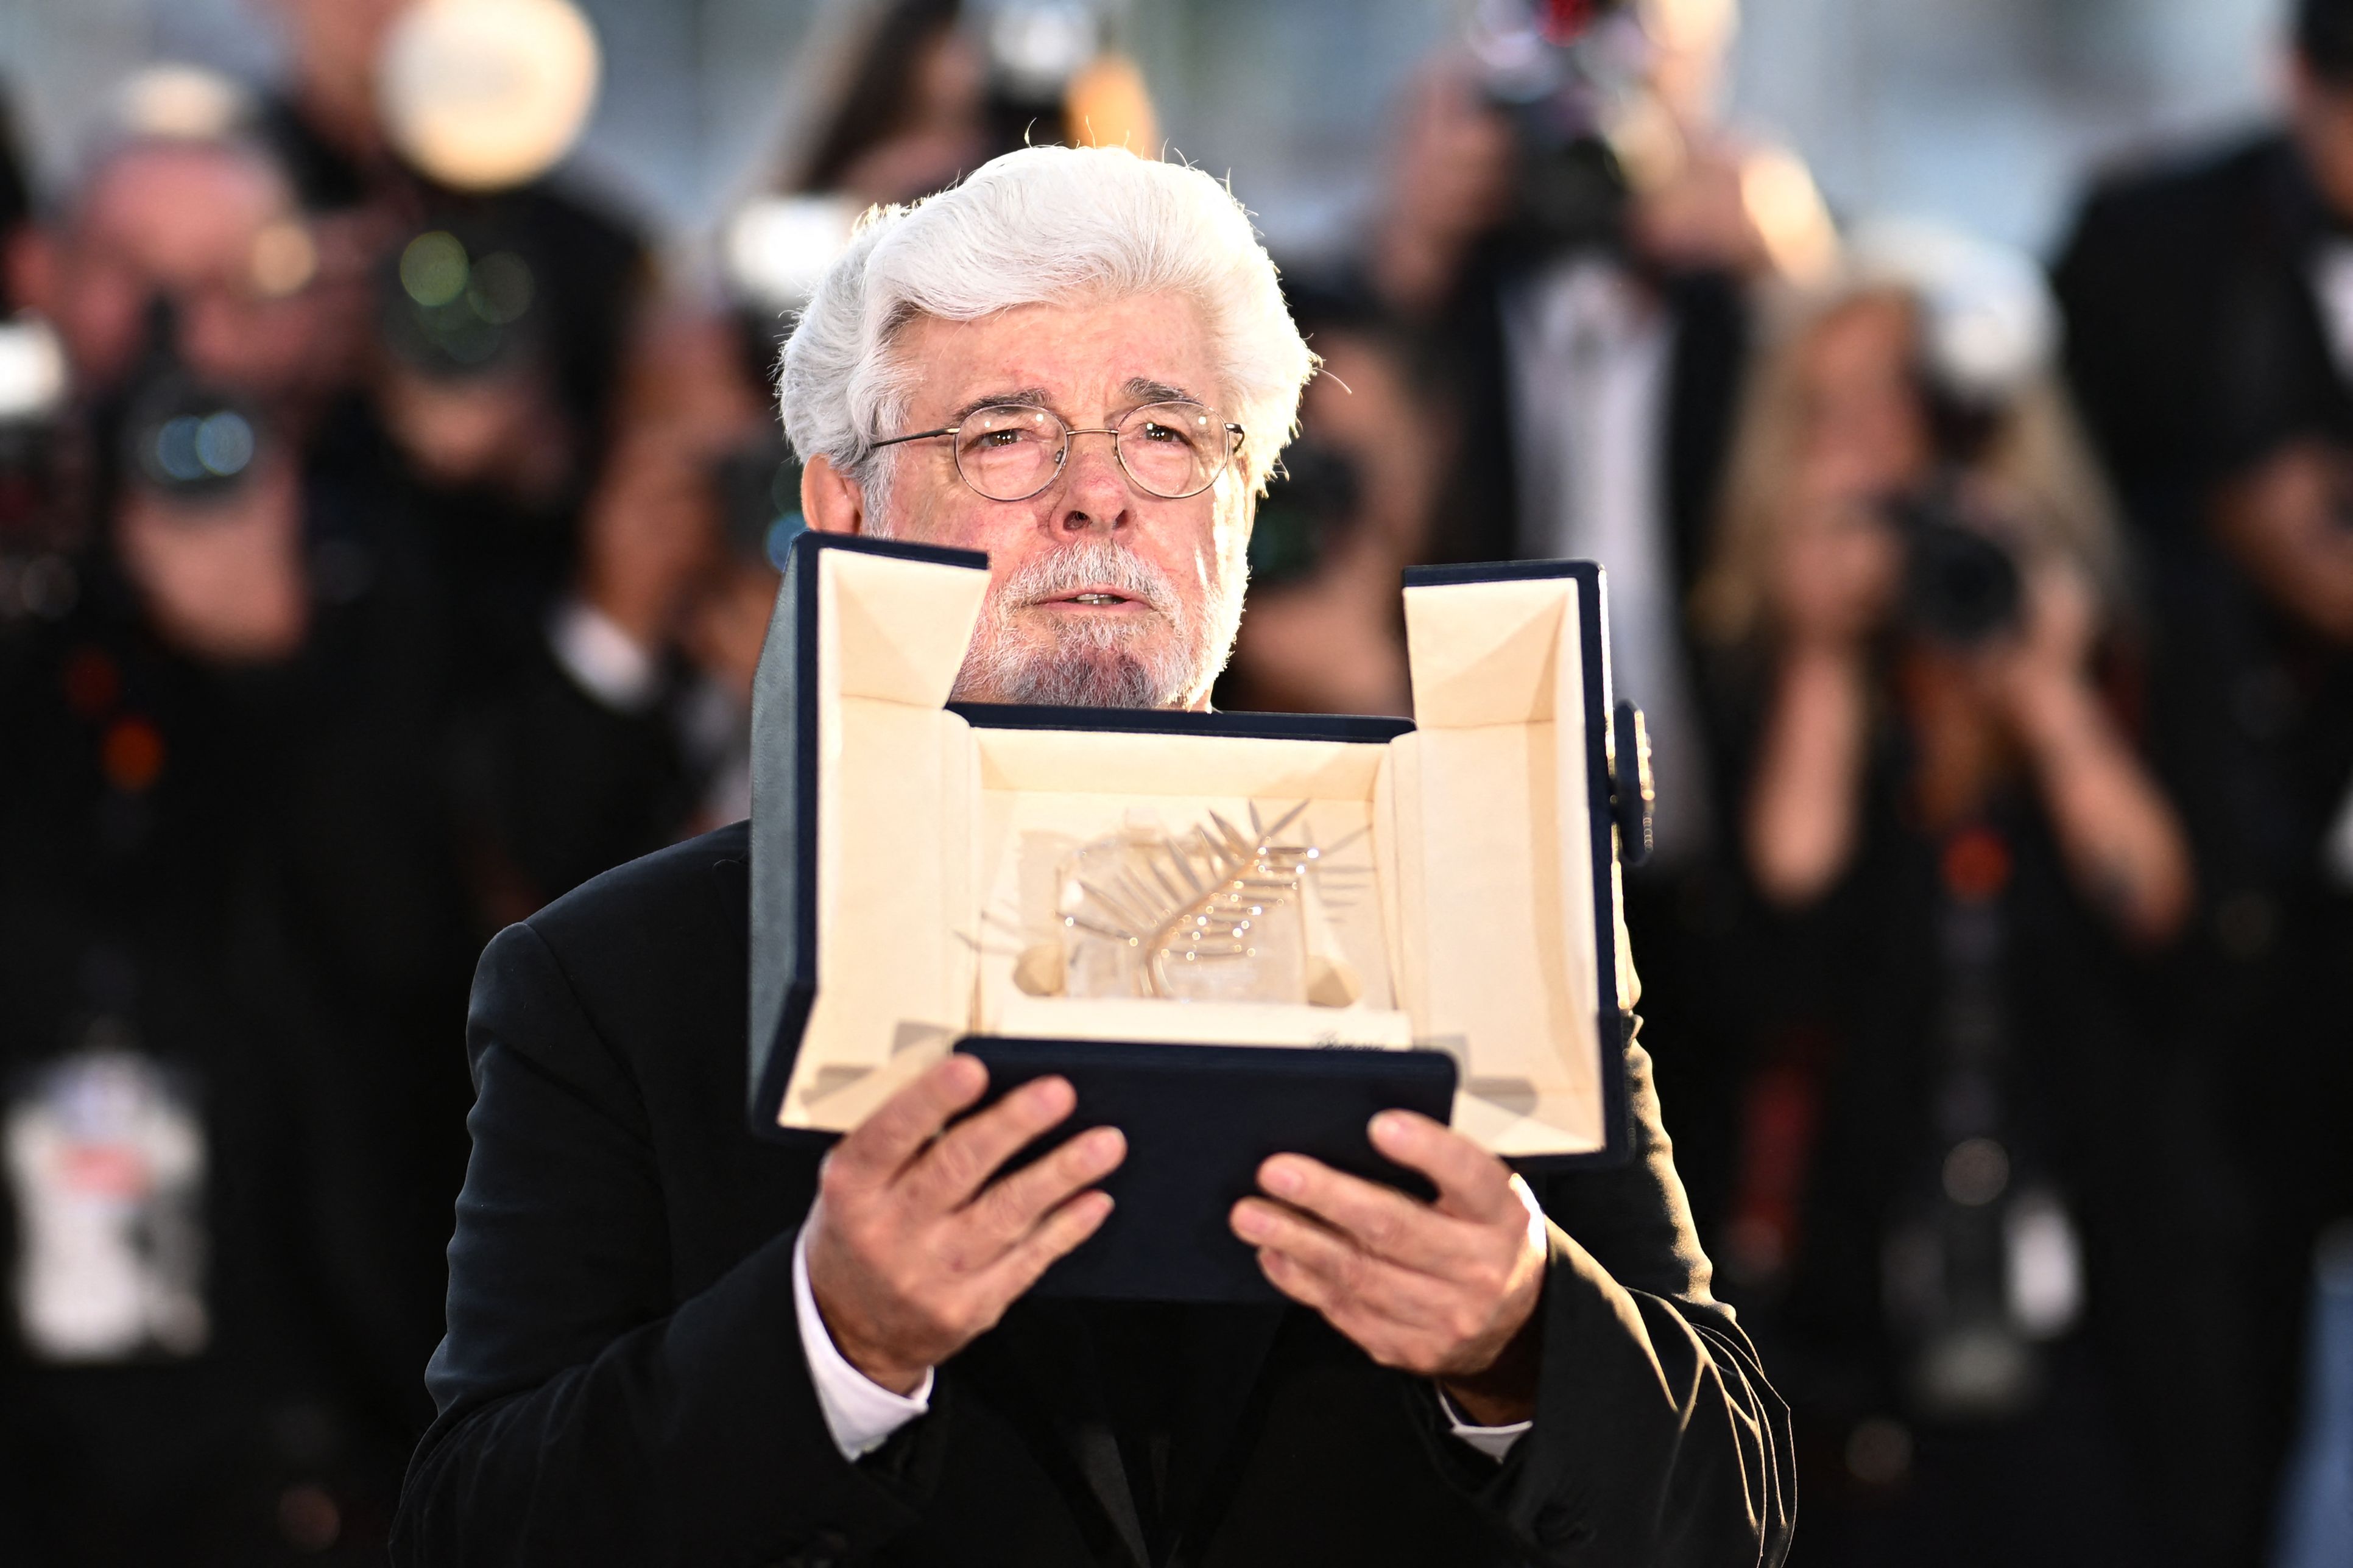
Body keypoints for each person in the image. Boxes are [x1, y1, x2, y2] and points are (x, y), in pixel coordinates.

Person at [393, 144, 1792, 1567]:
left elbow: (1731, 1510)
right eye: (1005, 433)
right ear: (841, 512)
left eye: (1168, 435)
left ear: (1246, 514)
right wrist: (832, 1340)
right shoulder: (610, 979)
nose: (1097, 495)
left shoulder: (1490, 905)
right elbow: (477, 1531)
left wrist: (1519, 1333)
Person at [1691, 228, 2252, 1566]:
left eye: (1902, 400)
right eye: (1829, 414)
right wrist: (1825, 655)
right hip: (1844, 1320)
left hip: (2103, 1322)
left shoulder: (2122, 634)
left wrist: (2043, 690)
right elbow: (1782, 939)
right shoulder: (1762, 666)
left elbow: (2169, 927)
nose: (1879, 451)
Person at [2051, 0, 2353, 1538]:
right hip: (2220, 916)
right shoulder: (2152, 245)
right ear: (2298, 78)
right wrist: (2236, 533)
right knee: (2212, 1378)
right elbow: (2072, 519)